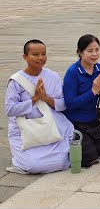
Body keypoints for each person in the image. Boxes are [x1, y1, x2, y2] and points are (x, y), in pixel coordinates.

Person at [5, 39, 74, 174]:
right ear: (25, 57)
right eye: (35, 54)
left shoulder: (52, 76)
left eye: (44, 54)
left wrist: (45, 98)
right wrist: (34, 99)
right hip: (26, 129)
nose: (41, 58)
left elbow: (63, 104)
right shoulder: (16, 81)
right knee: (34, 166)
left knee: (60, 162)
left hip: (51, 125)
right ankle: (18, 160)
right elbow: (10, 109)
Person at [63, 34, 100, 168]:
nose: (94, 54)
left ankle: (90, 141)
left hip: (92, 120)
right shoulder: (73, 72)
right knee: (89, 158)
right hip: (75, 121)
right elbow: (70, 103)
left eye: (97, 50)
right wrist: (92, 91)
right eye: (89, 51)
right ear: (80, 52)